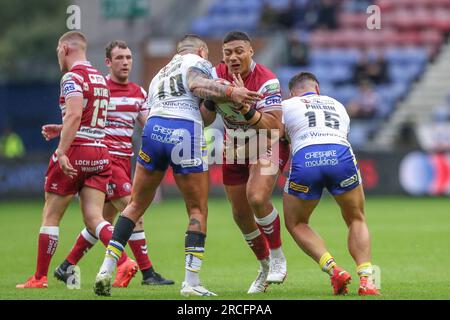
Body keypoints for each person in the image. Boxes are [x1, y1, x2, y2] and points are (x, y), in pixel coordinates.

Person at [93, 34, 262, 297]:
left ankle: (105, 268)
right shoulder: (197, 62)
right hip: (183, 131)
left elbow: (204, 114)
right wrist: (230, 91)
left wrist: (213, 100)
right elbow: (196, 85)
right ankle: (191, 283)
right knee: (197, 210)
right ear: (202, 51)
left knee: (135, 205)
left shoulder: (160, 73)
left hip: (153, 130)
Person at [42, 40, 173, 287]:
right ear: (108, 62)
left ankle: (66, 266)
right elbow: (82, 116)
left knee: (102, 222)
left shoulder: (139, 92)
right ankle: (148, 273)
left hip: (125, 161)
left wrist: (168, 139)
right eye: (120, 58)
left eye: (128, 57)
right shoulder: (99, 87)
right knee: (134, 213)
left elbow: (150, 126)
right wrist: (63, 129)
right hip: (105, 160)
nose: (125, 62)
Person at [16, 31, 136, 288]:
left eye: (57, 51)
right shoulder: (100, 80)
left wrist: (61, 150)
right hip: (99, 151)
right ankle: (123, 261)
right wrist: (63, 129)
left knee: (51, 215)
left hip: (77, 150)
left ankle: (39, 277)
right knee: (94, 217)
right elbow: (89, 118)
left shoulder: (72, 77)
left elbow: (73, 115)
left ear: (64, 48)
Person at [201, 31, 289, 293]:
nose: (233, 57)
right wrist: (213, 96)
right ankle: (264, 268)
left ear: (251, 51)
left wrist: (245, 108)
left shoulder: (267, 81)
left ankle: (277, 258)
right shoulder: (217, 76)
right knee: (240, 215)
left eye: (239, 51)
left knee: (257, 197)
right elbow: (205, 119)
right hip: (234, 146)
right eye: (228, 52)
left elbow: (274, 128)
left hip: (267, 142)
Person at [282, 72, 380, 296]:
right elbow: (343, 133)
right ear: (316, 88)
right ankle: (366, 280)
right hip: (340, 155)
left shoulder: (286, 105)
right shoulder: (337, 104)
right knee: (356, 218)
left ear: (292, 92)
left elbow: (276, 135)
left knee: (296, 223)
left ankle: (334, 269)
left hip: (306, 157)